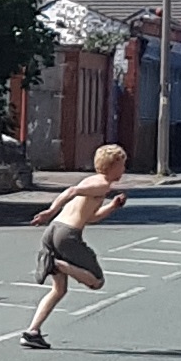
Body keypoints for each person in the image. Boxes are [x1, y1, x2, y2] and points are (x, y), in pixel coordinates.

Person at [21, 144, 129, 350]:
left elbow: (90, 217)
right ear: (112, 166)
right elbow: (72, 191)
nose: (124, 170)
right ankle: (57, 264)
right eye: (122, 165)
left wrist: (113, 207)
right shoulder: (102, 184)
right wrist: (49, 211)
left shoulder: (93, 182)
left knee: (59, 289)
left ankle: (32, 332)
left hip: (53, 232)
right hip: (67, 235)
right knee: (97, 281)